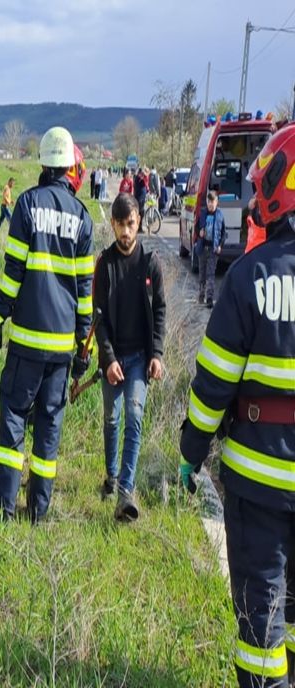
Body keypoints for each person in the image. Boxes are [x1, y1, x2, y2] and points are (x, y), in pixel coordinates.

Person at [178, 125, 295, 688]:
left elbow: (213, 387)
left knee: (262, 626)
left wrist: (191, 449)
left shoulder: (250, 277)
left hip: (259, 488)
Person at [0, 127, 93, 523]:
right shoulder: (83, 218)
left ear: (44, 162)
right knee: (49, 425)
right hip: (62, 348)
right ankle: (39, 511)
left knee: (14, 416)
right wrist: (84, 345)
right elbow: (85, 290)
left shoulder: (27, 205)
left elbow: (12, 275)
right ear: (70, 165)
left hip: (26, 342)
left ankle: (2, 508)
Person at [91, 192, 166, 521]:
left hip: (139, 358)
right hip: (113, 357)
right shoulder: (104, 265)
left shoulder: (151, 264)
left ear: (139, 223)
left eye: (131, 224)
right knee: (112, 419)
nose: (125, 231)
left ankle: (126, 491)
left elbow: (160, 310)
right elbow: (98, 317)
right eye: (120, 224)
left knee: (134, 416)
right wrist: (108, 360)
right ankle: (110, 476)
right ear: (113, 225)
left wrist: (158, 354)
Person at [196, 189, 226, 308]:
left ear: (216, 202)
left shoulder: (219, 215)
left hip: (213, 250)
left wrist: (220, 246)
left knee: (211, 274)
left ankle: (209, 298)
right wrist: (200, 233)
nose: (210, 204)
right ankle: (201, 295)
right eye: (209, 202)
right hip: (203, 248)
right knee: (202, 273)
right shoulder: (203, 213)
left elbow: (223, 233)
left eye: (212, 202)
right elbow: (197, 228)